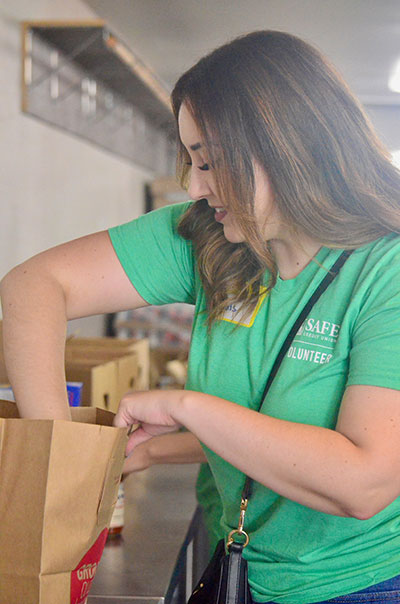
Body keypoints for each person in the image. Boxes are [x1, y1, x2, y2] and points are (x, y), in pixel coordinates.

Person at [2, 29, 400, 604]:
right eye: (189, 160)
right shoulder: (211, 236)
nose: (193, 184)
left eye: (209, 162)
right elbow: (33, 285)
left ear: (288, 149)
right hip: (239, 568)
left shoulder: (385, 270)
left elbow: (364, 483)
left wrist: (185, 407)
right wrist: (61, 457)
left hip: (360, 583)